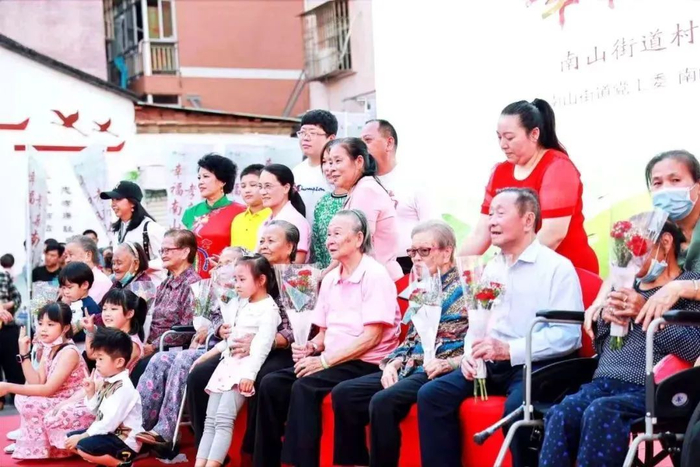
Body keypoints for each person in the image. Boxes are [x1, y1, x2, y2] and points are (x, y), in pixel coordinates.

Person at [417, 188, 583, 467]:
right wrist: (469, 354)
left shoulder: (557, 268)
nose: (491, 221)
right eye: (490, 214)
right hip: (493, 362)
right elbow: (478, 320)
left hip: (538, 365)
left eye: (500, 213)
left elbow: (569, 336)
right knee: (432, 395)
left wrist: (510, 349)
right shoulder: (492, 267)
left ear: (528, 220)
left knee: (518, 410)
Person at [542, 221, 700, 467]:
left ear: (666, 243)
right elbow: (603, 349)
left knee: (601, 412)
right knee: (562, 413)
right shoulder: (623, 286)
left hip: (650, 388)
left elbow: (693, 348)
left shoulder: (687, 288)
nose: (630, 257)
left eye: (637, 247)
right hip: (602, 382)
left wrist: (646, 315)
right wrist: (605, 321)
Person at [254, 209, 402, 467]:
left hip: (366, 361)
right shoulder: (331, 278)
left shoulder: (374, 275)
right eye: (328, 234)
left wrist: (323, 362)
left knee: (305, 386)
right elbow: (323, 333)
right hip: (334, 359)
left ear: (358, 238)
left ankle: (302, 463)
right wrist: (311, 347)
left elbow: (372, 337)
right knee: (272, 383)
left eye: (337, 234)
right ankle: (265, 462)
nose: (329, 240)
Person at [331, 220, 468, 467]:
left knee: (383, 402)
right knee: (345, 393)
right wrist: (392, 364)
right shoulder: (423, 286)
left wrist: (450, 363)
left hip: (439, 368)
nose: (416, 258)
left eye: (424, 251)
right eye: (412, 252)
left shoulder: (466, 288)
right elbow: (411, 337)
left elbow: (474, 339)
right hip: (409, 365)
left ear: (447, 251)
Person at [187, 223, 297, 460]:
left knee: (264, 379)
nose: (264, 245)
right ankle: (211, 454)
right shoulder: (248, 273)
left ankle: (255, 453)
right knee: (198, 375)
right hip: (237, 346)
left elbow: (297, 329)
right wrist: (222, 328)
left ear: (289, 247)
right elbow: (226, 310)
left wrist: (265, 342)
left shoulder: (298, 279)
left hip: (279, 348)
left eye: (271, 241)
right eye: (262, 240)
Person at [459, 99, 598, 274]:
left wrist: (507, 268)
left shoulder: (558, 167)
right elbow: (481, 234)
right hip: (516, 270)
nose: (503, 145)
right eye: (499, 137)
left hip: (567, 272)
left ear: (534, 134)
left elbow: (553, 235)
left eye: (510, 137)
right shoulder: (500, 172)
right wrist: (450, 272)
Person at [135, 247, 244, 452]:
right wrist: (208, 329)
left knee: (183, 359)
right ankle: (137, 425)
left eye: (228, 263)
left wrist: (214, 330)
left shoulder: (245, 291)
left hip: (223, 350)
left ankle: (166, 431)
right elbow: (209, 319)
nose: (222, 267)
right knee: (159, 359)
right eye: (221, 263)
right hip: (203, 345)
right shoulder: (213, 289)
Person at [191, 254, 281, 467]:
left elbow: (261, 347)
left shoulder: (269, 310)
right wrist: (205, 356)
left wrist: (249, 375)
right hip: (227, 366)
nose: (236, 285)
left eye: (242, 279)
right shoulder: (242, 304)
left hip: (243, 369)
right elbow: (230, 340)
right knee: (210, 420)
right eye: (235, 279)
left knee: (224, 419)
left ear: (261, 280)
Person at [5, 303, 91, 459]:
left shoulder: (69, 352)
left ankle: (40, 445)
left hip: (73, 401)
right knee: (22, 397)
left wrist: (8, 387)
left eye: (50, 324)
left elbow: (47, 389)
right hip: (57, 396)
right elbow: (36, 381)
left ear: (65, 328)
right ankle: (29, 439)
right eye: (40, 323)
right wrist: (24, 353)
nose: (43, 329)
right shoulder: (49, 347)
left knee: (32, 403)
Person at [634, 150, 700, 329]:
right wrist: (600, 301)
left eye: (675, 180)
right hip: (678, 326)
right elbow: (626, 265)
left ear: (698, 186)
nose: (665, 190)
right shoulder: (657, 229)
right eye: (657, 183)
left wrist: (681, 287)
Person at [361, 119, 437, 274]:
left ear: (389, 143)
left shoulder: (415, 180)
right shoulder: (362, 183)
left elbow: (433, 228)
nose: (362, 147)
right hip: (371, 267)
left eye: (368, 140)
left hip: (410, 266)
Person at [324, 138, 403, 280]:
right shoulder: (360, 189)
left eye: (338, 161)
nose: (331, 168)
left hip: (376, 280)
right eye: (330, 162)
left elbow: (355, 245)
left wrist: (325, 275)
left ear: (359, 162)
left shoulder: (366, 190)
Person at [65, 328, 145, 466]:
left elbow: (108, 422)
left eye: (101, 359)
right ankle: (107, 461)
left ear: (119, 362)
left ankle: (120, 464)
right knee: (69, 439)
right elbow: (97, 413)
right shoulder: (109, 381)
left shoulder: (123, 388)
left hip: (124, 442)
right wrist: (91, 392)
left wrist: (83, 436)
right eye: (96, 359)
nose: (97, 363)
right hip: (110, 434)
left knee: (82, 445)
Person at [129, 229, 200, 383]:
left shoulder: (193, 285)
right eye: (162, 250)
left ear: (185, 252)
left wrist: (153, 347)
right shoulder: (165, 283)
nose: (163, 254)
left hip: (170, 350)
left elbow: (187, 329)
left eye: (168, 250)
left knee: (137, 370)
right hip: (150, 345)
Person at [182, 154, 246, 278]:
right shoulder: (190, 213)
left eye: (206, 176)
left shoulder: (241, 212)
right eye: (199, 177)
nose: (200, 182)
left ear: (222, 181)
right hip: (193, 279)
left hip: (228, 279)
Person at [100, 180, 166, 271]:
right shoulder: (118, 230)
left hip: (150, 280)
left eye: (118, 199)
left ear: (133, 203)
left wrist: (139, 266)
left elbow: (166, 261)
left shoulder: (150, 228)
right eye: (112, 200)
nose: (113, 204)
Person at [293, 109, 337, 225]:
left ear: (331, 138)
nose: (305, 138)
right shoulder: (297, 171)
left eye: (312, 133)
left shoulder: (337, 171)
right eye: (302, 133)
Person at [258, 164, 310, 263]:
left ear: (286, 188)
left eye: (268, 186)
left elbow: (297, 262)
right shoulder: (266, 221)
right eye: (260, 187)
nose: (263, 192)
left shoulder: (295, 221)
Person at [311, 145, 348, 268]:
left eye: (333, 162)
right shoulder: (322, 202)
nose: (328, 168)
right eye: (324, 162)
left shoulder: (358, 196)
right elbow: (318, 246)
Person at [231, 164, 271, 251]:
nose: (247, 190)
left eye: (253, 185)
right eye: (243, 186)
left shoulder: (274, 217)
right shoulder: (238, 220)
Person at [0, 262, 23, 411]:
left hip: (7, 327)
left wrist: (3, 306)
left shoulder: (3, 275)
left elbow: (17, 299)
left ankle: (19, 396)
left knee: (14, 365)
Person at [59, 262, 101, 343]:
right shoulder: (68, 302)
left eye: (69, 287)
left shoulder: (89, 306)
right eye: (63, 288)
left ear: (85, 285)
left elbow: (96, 331)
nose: (66, 292)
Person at [64, 235, 113, 303]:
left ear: (88, 255)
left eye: (71, 255)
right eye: (66, 256)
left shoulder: (100, 282)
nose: (67, 260)